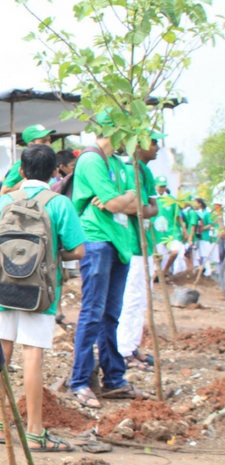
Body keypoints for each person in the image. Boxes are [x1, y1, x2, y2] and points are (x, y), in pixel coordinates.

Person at [0, 145, 85, 452]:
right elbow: (78, 250)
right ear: (55, 171)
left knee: (1, 356)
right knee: (33, 357)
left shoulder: (6, 201)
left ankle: (0, 426)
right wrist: (52, 252)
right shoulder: (59, 204)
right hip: (40, 291)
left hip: (2, 288)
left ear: (23, 171)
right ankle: (34, 431)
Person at [68, 110, 146, 410]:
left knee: (111, 313)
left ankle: (114, 377)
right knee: (93, 311)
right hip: (97, 241)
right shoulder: (91, 160)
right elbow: (117, 203)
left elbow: (134, 202)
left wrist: (123, 197)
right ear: (115, 132)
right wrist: (122, 198)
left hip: (120, 243)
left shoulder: (118, 163)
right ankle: (80, 381)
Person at [116, 133, 162, 371]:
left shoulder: (143, 170)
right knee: (132, 299)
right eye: (154, 142)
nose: (158, 148)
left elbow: (150, 207)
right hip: (132, 244)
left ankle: (130, 346)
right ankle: (124, 351)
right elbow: (142, 208)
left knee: (139, 298)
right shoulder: (131, 169)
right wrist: (148, 208)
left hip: (141, 244)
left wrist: (148, 208)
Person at [0, 124, 54, 195]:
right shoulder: (21, 164)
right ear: (31, 145)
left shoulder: (47, 162)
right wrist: (27, 179)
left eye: (49, 141)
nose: (48, 144)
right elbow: (3, 192)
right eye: (43, 141)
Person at [154, 175, 182, 276]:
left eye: (164, 186)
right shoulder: (152, 199)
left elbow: (178, 216)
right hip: (157, 233)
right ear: (155, 185)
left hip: (171, 231)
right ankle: (158, 276)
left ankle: (165, 271)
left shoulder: (172, 200)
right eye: (160, 186)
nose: (162, 188)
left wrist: (183, 229)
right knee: (160, 257)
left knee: (175, 251)